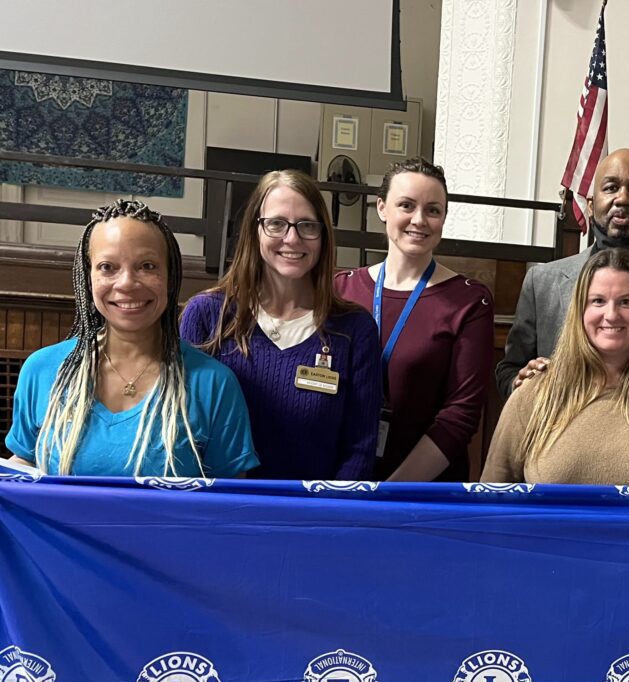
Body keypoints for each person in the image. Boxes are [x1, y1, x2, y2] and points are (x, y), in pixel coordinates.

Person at [5, 199, 257, 477]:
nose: (126, 283)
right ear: (88, 277)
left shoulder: (214, 384)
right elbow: (26, 462)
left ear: (170, 276)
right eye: (107, 267)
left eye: (147, 266)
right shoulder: (42, 370)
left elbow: (230, 500)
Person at [181, 170, 381, 481]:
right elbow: (182, 434)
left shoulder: (355, 330)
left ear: (324, 235)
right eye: (276, 223)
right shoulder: (207, 316)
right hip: (222, 513)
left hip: (314, 518)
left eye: (307, 226)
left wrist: (323, 516)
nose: (292, 238)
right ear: (254, 230)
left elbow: (360, 447)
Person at [482, 248, 629, 486]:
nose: (611, 315)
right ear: (580, 310)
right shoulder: (533, 395)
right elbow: (491, 498)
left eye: (626, 301)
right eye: (598, 301)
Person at [495, 148, 629, 399]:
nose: (622, 199)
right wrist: (521, 383)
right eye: (610, 187)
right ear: (589, 205)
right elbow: (508, 371)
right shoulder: (542, 282)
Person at [333, 157, 493, 481]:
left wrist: (391, 493)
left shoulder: (469, 301)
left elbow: (460, 416)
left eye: (433, 210)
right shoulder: (341, 288)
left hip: (425, 491)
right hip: (342, 483)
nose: (419, 220)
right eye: (406, 205)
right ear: (381, 208)